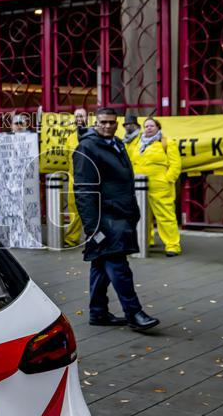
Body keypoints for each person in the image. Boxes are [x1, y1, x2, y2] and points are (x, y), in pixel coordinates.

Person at [72, 107, 160, 331]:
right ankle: (134, 312)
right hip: (105, 219)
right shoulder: (87, 147)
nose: (107, 126)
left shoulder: (117, 143)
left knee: (101, 264)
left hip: (120, 214)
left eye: (111, 122)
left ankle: (98, 312)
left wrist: (133, 211)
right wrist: (93, 228)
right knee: (118, 264)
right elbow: (84, 191)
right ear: (95, 122)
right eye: (103, 122)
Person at [130, 117, 182, 257]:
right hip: (139, 186)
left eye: (151, 125)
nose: (148, 128)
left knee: (165, 216)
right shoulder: (137, 143)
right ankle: (146, 240)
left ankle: (172, 245)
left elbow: (175, 165)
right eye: (146, 126)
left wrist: (167, 179)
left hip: (160, 186)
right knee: (141, 215)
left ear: (158, 127)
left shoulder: (166, 142)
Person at [64, 108, 89, 247]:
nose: (79, 119)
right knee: (74, 211)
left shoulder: (94, 135)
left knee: (94, 211)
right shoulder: (70, 138)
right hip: (74, 179)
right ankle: (71, 239)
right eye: (77, 116)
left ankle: (96, 240)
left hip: (91, 179)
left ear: (87, 118)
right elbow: (68, 159)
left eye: (82, 116)